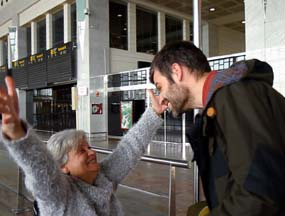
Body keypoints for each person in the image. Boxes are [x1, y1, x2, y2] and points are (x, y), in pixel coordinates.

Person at [150, 40, 285, 215]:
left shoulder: (233, 96)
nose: (162, 98)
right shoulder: (224, 101)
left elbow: (258, 193)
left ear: (177, 71)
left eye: (160, 87)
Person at [0, 76, 167, 215]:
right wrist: (18, 134)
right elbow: (40, 169)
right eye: (81, 150)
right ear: (62, 167)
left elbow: (130, 148)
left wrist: (154, 113)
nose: (91, 153)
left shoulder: (103, 177)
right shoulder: (58, 196)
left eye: (89, 147)